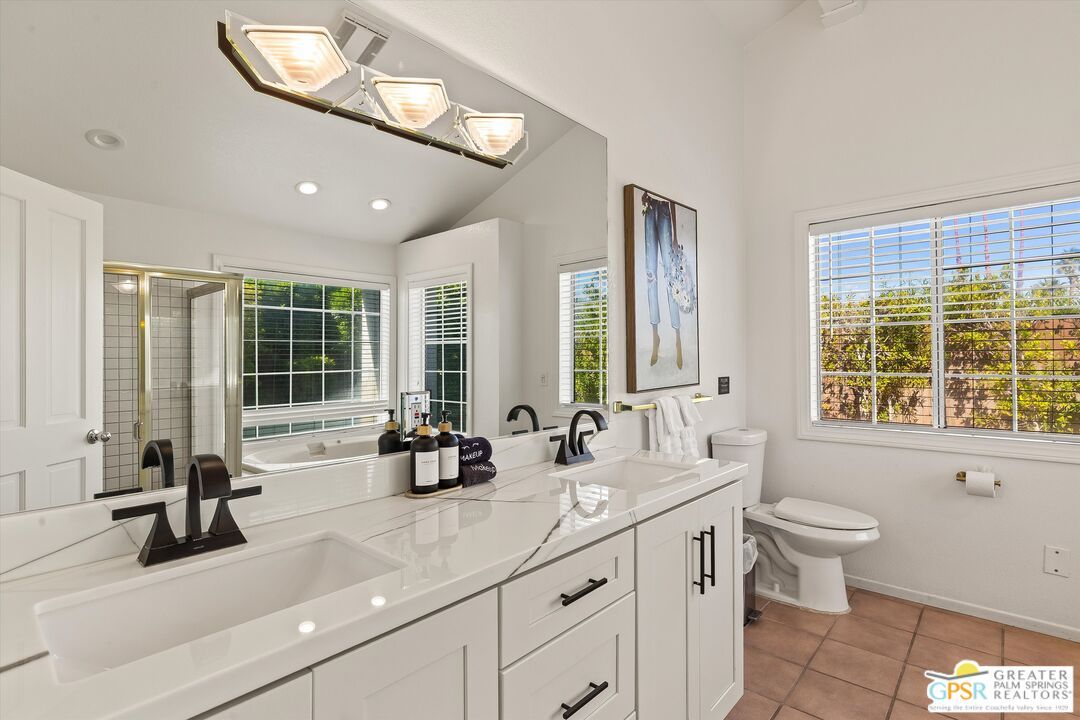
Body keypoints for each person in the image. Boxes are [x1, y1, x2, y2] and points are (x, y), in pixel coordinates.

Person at [642, 191, 683, 369]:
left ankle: (678, 339)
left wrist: (675, 236)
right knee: (650, 275)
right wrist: (644, 197)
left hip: (665, 210)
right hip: (649, 210)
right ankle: (655, 338)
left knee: (670, 278)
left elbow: (672, 197)